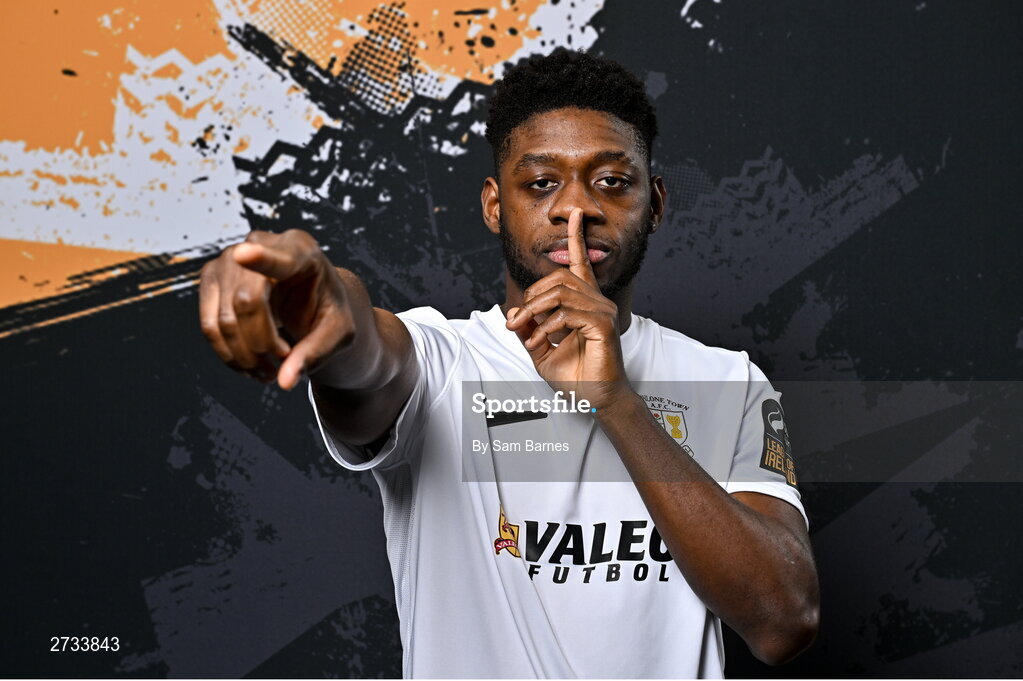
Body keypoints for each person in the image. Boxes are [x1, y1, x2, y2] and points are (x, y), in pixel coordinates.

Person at [198, 48, 820, 678]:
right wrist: (327, 298)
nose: (575, 208)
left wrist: (617, 402)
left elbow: (783, 620)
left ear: (655, 203)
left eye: (612, 181)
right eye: (542, 182)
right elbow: (369, 351)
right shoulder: (445, 365)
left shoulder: (726, 382)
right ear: (496, 205)